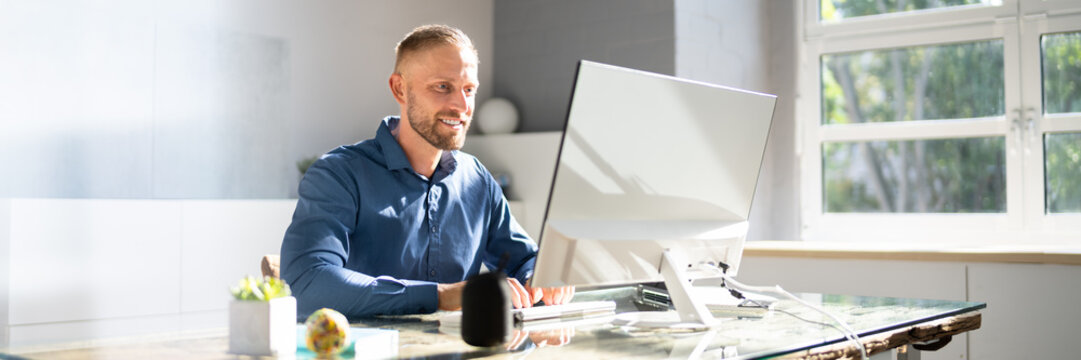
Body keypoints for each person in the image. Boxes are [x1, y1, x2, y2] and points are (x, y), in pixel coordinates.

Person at [280, 24, 573, 319]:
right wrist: (441, 296)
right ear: (400, 89)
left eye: (469, 90)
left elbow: (526, 259)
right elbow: (307, 284)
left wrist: (538, 280)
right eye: (443, 87)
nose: (461, 105)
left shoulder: (478, 181)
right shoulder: (338, 174)